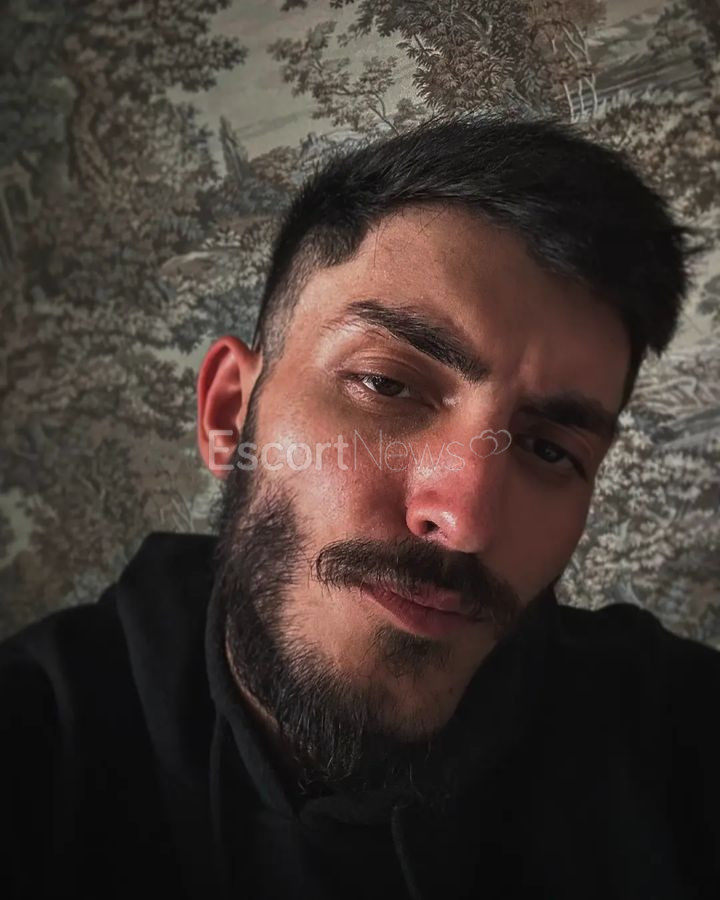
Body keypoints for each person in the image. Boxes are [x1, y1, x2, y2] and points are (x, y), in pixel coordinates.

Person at [2, 116, 718, 900]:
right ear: (228, 413)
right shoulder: (39, 739)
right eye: (387, 384)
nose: (464, 521)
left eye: (550, 450)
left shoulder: (678, 747)